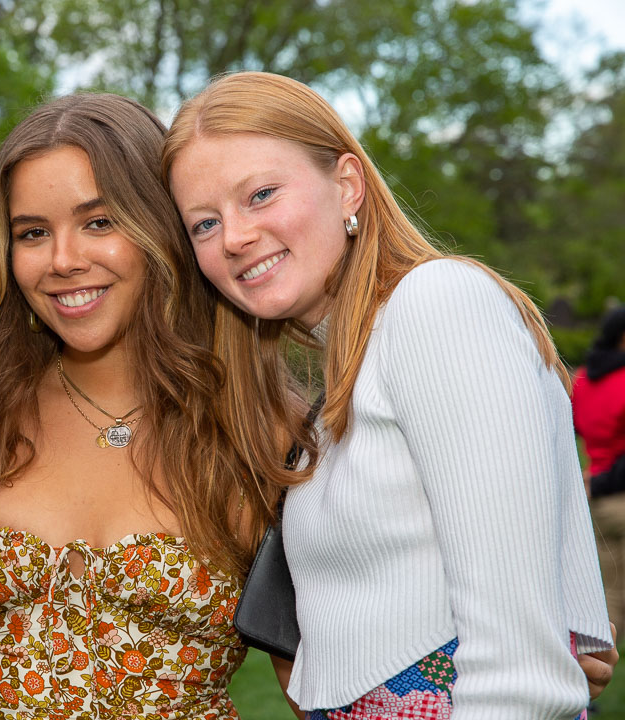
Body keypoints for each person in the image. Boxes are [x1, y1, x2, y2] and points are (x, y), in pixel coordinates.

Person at [162, 70, 615, 718]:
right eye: (204, 224)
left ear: (347, 184)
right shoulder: (347, 381)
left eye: (260, 194)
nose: (233, 237)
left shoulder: (436, 304)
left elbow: (520, 677)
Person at [0, 93, 294, 719]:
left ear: (161, 227)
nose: (63, 260)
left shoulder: (259, 429)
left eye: (99, 222)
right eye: (33, 233)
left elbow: (316, 682)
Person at [574, 306, 625, 638]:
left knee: (612, 588)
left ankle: (605, 653)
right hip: (618, 491)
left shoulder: (582, 379)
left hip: (596, 497)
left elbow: (576, 429)